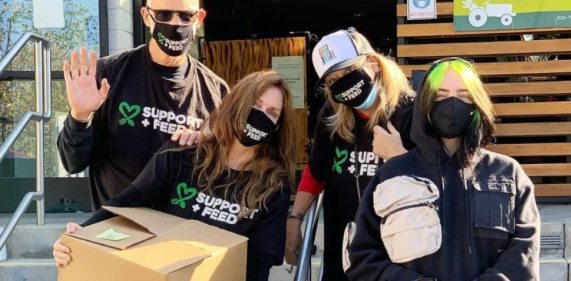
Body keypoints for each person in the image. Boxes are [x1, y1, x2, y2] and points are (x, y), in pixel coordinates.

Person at [53, 70, 296, 281]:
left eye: (272, 113)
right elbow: (128, 201)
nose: (261, 115)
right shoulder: (182, 155)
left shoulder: (274, 186)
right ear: (237, 103)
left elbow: (258, 263)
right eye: (255, 104)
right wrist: (80, 236)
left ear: (276, 127)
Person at [345, 57, 540, 281]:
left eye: (464, 95)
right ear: (425, 103)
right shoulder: (392, 174)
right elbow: (363, 255)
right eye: (441, 94)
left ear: (477, 103)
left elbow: (525, 252)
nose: (452, 103)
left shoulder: (507, 174)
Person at [57, 0, 229, 210]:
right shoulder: (108, 76)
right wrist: (79, 116)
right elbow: (72, 163)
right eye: (164, 15)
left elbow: (222, 172)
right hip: (115, 229)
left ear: (199, 19)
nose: (176, 24)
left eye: (186, 16)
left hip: (179, 232)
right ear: (146, 16)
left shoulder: (216, 92)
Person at [285, 28, 415, 281]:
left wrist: (399, 157)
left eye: (347, 71)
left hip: (401, 248)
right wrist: (295, 218)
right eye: (332, 81)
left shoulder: (412, 113)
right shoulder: (332, 117)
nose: (342, 83)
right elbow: (316, 172)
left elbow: (435, 180)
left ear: (373, 63)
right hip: (346, 246)